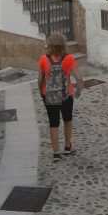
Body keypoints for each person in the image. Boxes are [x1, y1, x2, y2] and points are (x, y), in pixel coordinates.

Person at [37, 32, 84, 160]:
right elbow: (79, 78)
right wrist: (78, 91)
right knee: (67, 119)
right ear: (64, 45)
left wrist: (42, 92)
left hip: (50, 95)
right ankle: (68, 146)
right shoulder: (69, 59)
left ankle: (56, 152)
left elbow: (40, 79)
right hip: (66, 95)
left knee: (54, 123)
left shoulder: (44, 59)